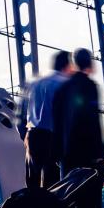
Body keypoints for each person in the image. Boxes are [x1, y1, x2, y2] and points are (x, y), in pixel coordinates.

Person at [53, 48, 104, 208]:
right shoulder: (89, 86)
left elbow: (57, 123)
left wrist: (58, 151)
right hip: (86, 154)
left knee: (66, 199)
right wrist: (98, 154)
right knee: (89, 204)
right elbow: (91, 121)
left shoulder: (62, 88)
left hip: (66, 154)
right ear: (89, 63)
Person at [24, 51, 73, 191]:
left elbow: (21, 111)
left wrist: (26, 132)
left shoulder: (36, 83)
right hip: (53, 137)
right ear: (67, 65)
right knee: (51, 183)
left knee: (32, 181)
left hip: (32, 134)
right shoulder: (65, 84)